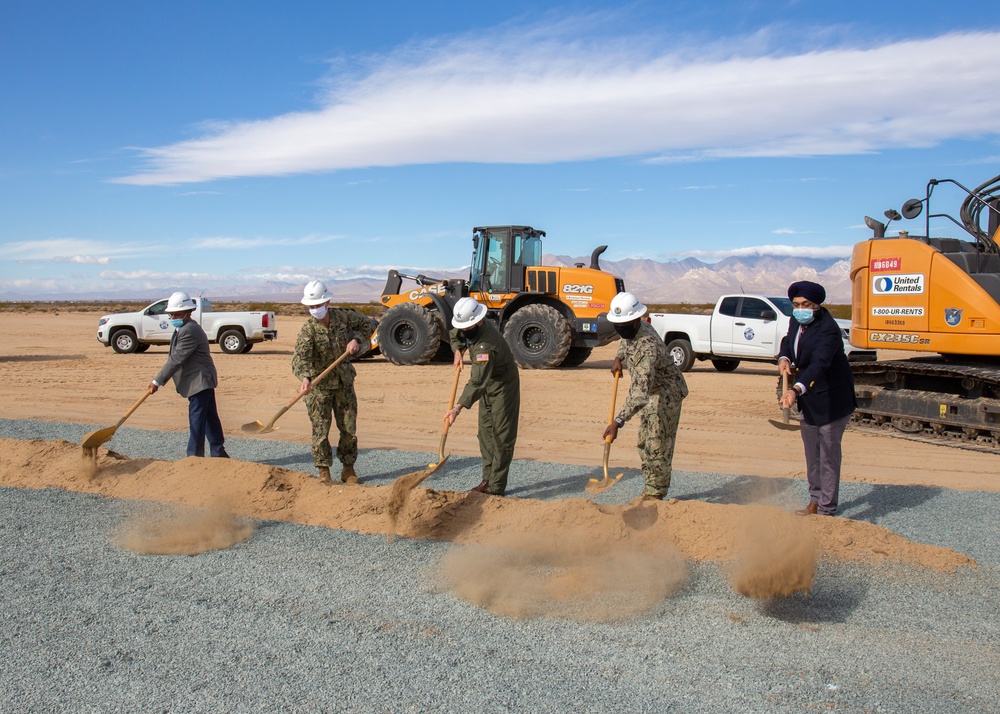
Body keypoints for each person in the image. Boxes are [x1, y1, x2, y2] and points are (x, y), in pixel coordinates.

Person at [778, 280, 857, 516]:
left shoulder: (828, 329)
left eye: (805, 304)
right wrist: (784, 357)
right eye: (796, 304)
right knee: (812, 453)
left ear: (817, 305)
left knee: (828, 454)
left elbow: (820, 364)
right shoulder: (796, 320)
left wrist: (795, 389)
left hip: (832, 398)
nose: (800, 309)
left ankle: (827, 508)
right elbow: (788, 341)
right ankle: (814, 501)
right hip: (810, 398)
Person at [603, 292, 688, 501]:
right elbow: (626, 341)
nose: (621, 330)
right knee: (643, 442)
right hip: (652, 391)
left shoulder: (647, 349)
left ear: (635, 320)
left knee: (657, 445)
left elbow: (639, 394)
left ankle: (655, 494)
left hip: (666, 393)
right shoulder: (635, 329)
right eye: (618, 325)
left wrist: (618, 421)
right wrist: (618, 357)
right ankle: (650, 487)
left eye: (624, 325)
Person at [292, 280, 371, 484]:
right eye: (311, 306)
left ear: (327, 302)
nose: (315, 310)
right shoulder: (308, 330)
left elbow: (366, 324)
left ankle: (348, 469)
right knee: (320, 430)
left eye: (318, 305)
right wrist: (306, 378)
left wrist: (357, 340)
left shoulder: (342, 317)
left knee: (348, 428)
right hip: (319, 388)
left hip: (344, 382)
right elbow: (300, 359)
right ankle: (324, 471)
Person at [444, 297, 520, 496]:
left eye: (468, 327)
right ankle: (487, 479)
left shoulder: (485, 346)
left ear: (479, 321)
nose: (464, 330)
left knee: (501, 436)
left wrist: (456, 408)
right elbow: (455, 333)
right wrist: (457, 350)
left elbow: (477, 382)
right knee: (485, 433)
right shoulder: (467, 325)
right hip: (486, 382)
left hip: (502, 385)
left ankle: (496, 487)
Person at [149, 291, 229, 458]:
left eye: (176, 314)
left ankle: (194, 457)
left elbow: (176, 358)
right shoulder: (183, 328)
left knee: (198, 420)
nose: (172, 317)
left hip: (199, 381)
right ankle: (219, 453)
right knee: (209, 418)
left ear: (187, 313)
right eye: (170, 314)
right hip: (200, 380)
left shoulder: (189, 330)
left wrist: (157, 381)